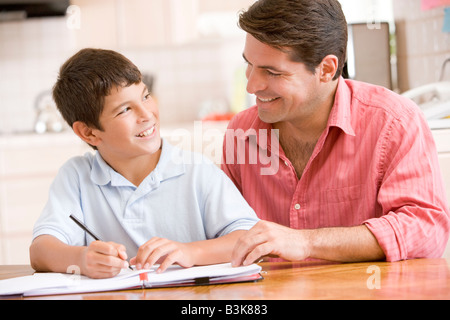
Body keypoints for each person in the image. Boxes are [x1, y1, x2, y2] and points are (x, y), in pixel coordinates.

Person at [222, 0, 450, 266]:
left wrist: (307, 241)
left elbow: (426, 229)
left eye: (272, 72)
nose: (252, 86)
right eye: (249, 64)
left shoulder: (393, 122)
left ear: (327, 69)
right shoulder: (242, 132)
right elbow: (223, 229)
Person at [29, 48, 259, 279]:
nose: (147, 114)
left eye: (146, 96)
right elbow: (40, 251)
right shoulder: (77, 177)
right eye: (125, 109)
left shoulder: (196, 170)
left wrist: (191, 251)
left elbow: (250, 237)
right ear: (89, 133)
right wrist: (81, 259)